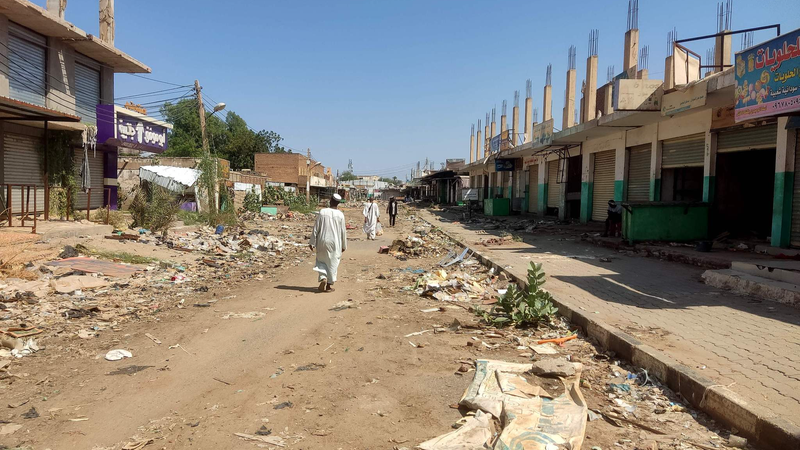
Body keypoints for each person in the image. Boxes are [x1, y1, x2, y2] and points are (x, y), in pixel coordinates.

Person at [309, 194, 347, 292]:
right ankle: (329, 285)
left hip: (322, 241)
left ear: (330, 201)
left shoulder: (323, 212)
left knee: (321, 261)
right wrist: (344, 245)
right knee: (333, 263)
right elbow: (343, 231)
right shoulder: (340, 215)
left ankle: (323, 277)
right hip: (335, 242)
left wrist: (312, 242)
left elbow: (316, 228)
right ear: (338, 203)